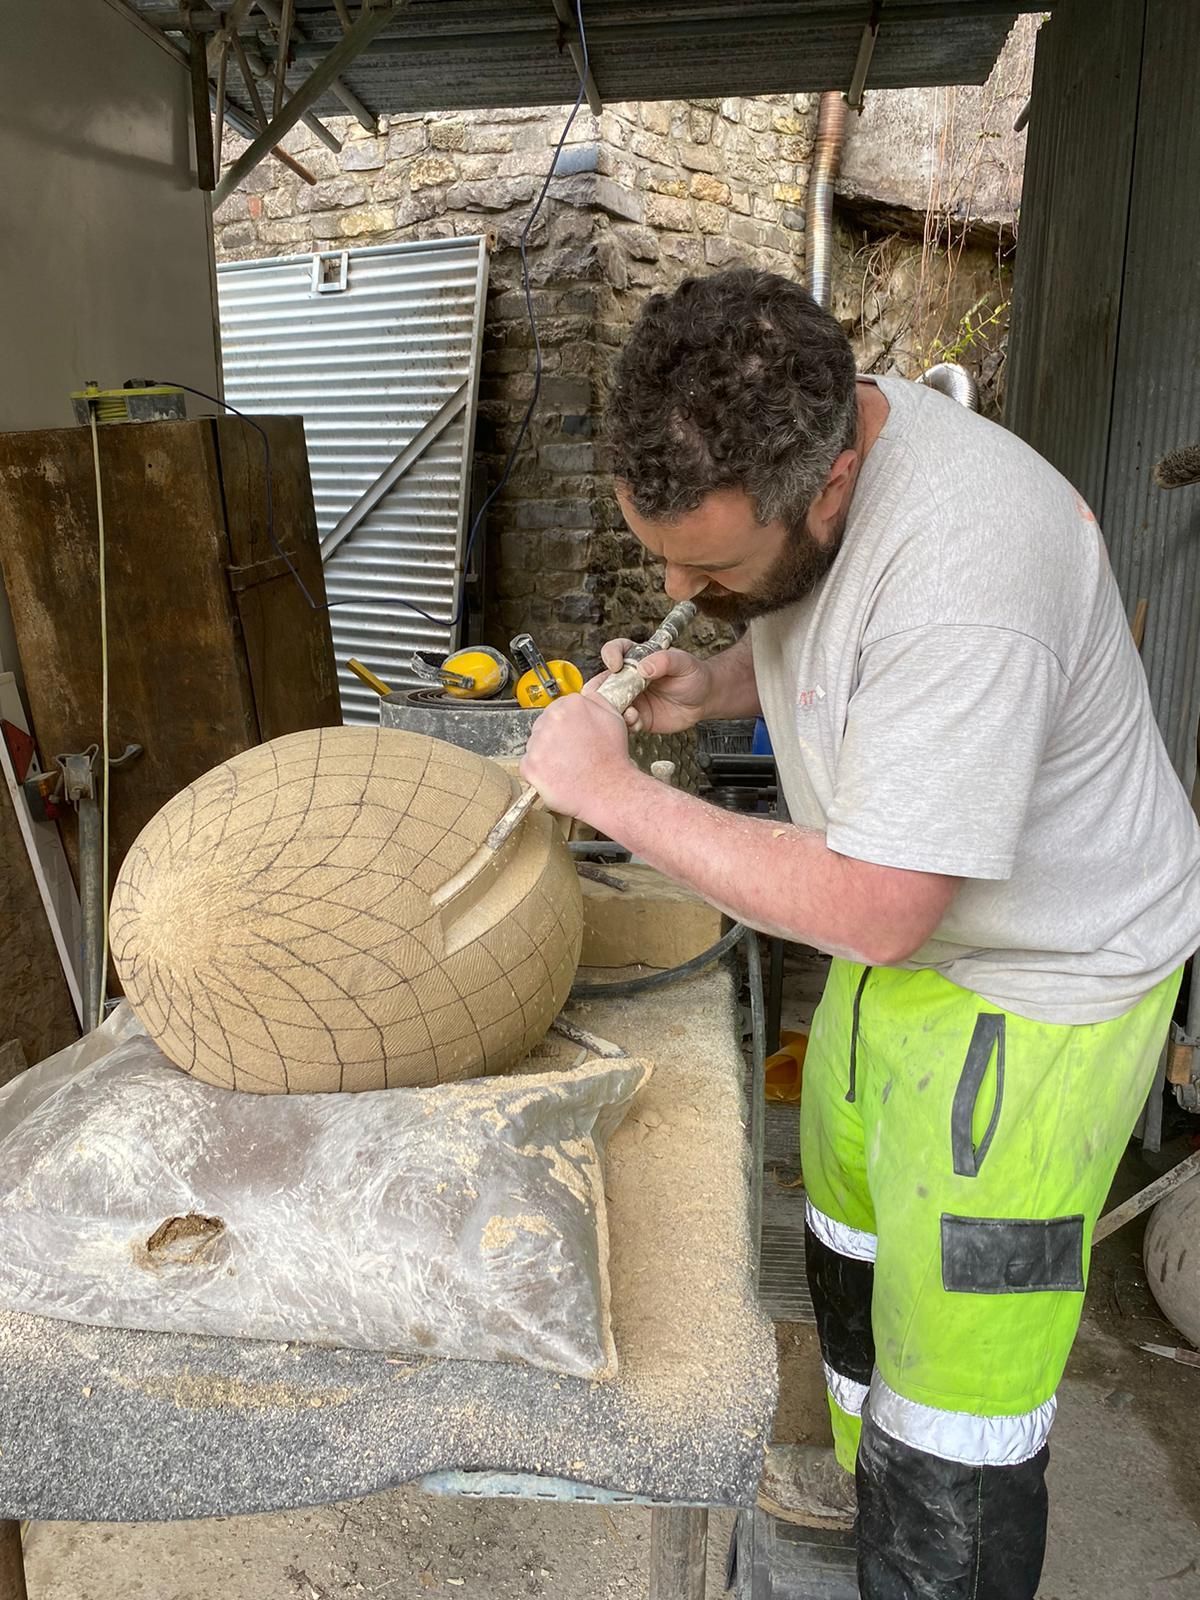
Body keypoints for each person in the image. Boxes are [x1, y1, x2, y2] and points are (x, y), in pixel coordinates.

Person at [519, 268, 1200, 1599]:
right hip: (913, 952)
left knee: (960, 1391)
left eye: (707, 567)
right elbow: (829, 636)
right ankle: (856, 1477)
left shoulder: (969, 572)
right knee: (850, 1236)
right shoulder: (834, 463)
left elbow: (880, 904)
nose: (674, 584)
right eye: (662, 554)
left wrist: (606, 795)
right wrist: (707, 680)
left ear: (827, 487)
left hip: (1038, 987)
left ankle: (929, 1552)